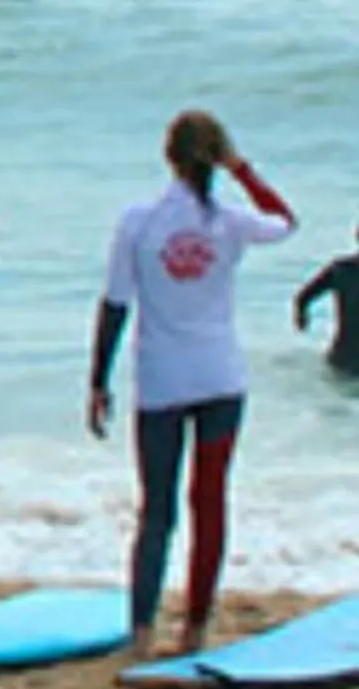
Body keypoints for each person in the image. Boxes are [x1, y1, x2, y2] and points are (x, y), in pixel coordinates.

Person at [89, 111, 296, 654]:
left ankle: (139, 634)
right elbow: (285, 221)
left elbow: (115, 304)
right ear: (214, 159)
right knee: (210, 504)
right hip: (221, 378)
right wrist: (242, 168)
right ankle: (196, 630)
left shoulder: (138, 222)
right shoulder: (230, 221)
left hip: (162, 382)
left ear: (168, 156)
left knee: (156, 509)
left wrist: (98, 380)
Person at [291, 225, 359, 375]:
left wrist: (301, 318)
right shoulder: (340, 269)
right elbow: (303, 298)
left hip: (342, 357)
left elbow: (303, 298)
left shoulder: (340, 269)